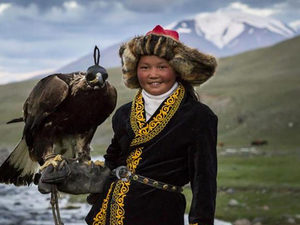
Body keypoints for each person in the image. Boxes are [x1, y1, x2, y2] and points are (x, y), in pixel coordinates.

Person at [85, 25, 218, 225]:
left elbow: (204, 179)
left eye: (162, 67)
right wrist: (84, 177)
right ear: (134, 70)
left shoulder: (198, 117)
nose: (152, 74)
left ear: (177, 70)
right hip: (108, 213)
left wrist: (200, 222)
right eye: (145, 67)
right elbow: (113, 160)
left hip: (159, 214)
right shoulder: (123, 113)